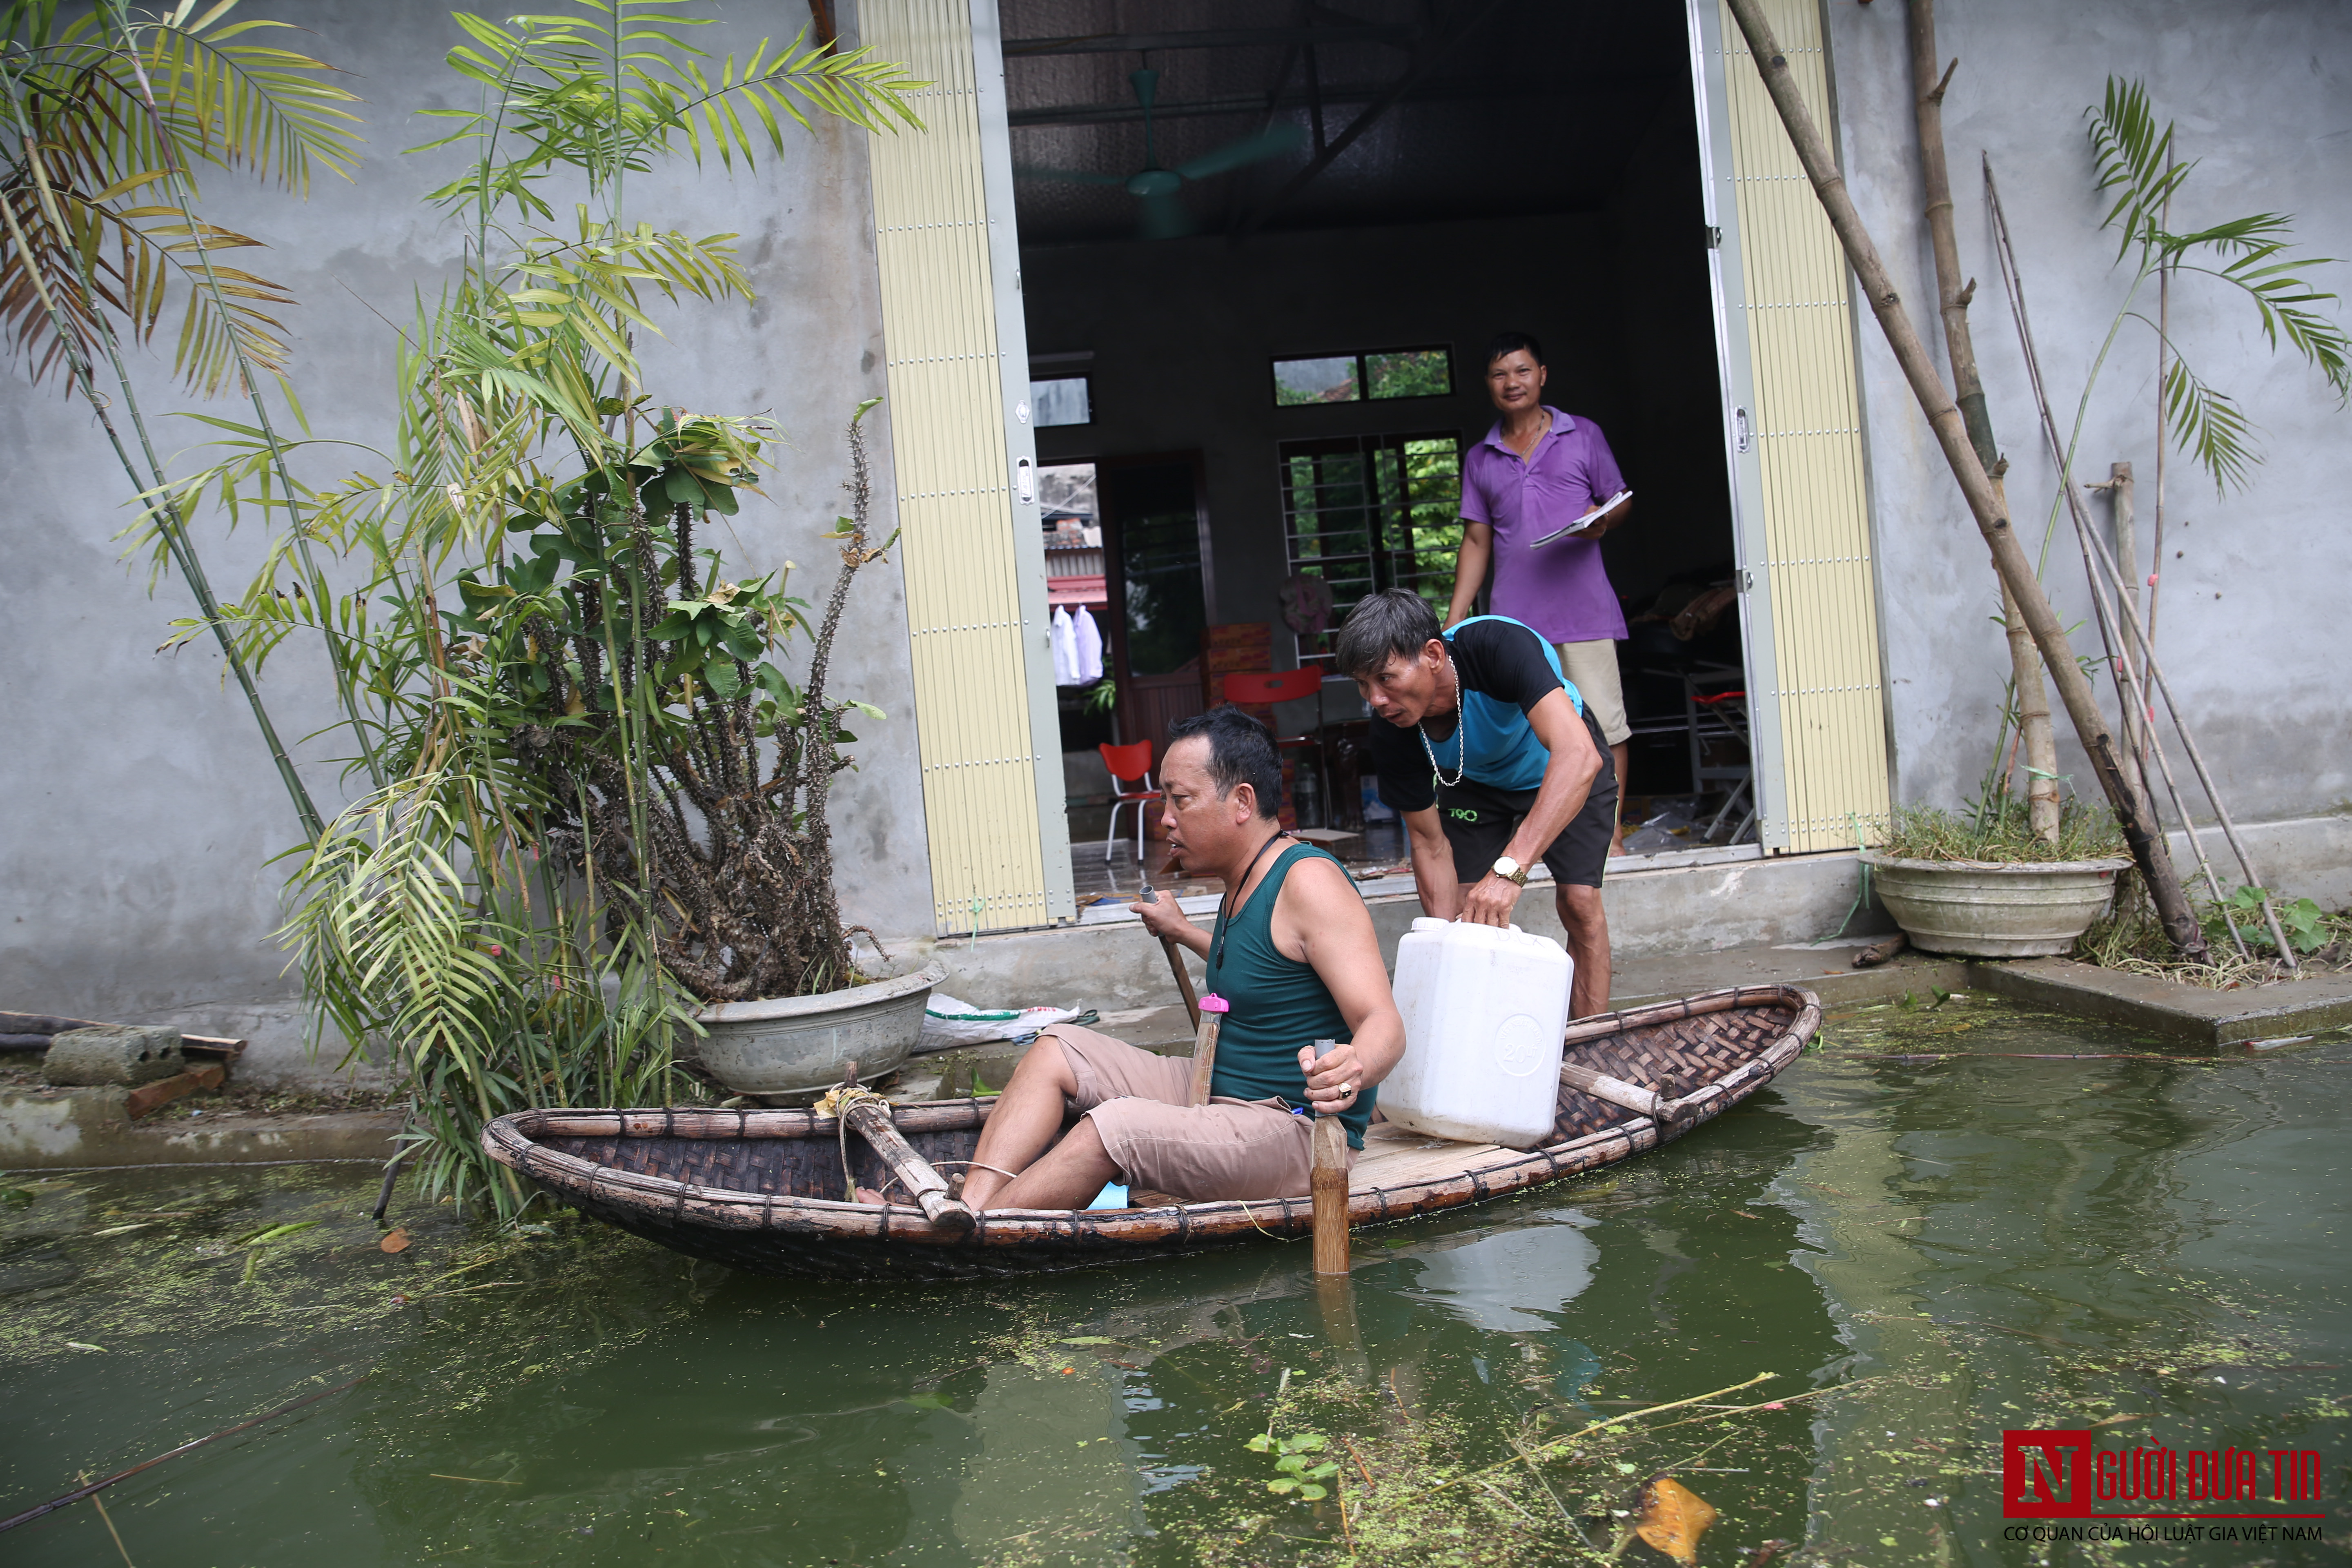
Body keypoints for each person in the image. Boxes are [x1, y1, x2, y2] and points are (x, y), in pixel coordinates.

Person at [958, 707, 1405, 1212]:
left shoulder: (1309, 882)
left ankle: (979, 1237)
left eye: (1181, 800)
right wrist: (1184, 931)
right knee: (1056, 1048)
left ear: (1242, 802)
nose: (1166, 818)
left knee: (1116, 1127)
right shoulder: (1242, 882)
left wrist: (1352, 1068)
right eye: (1165, 799)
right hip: (1213, 1087)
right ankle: (969, 1209)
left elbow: (1383, 1022)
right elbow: (1264, 960)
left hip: (1293, 1128)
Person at [1336, 588, 1617, 1020]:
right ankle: (1481, 1034)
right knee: (1466, 915)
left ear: (1432, 655)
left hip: (1561, 767)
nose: (1374, 699)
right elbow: (1430, 845)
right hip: (1476, 782)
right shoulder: (1391, 727)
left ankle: (1592, 1043)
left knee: (1579, 902)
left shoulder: (1497, 647)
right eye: (1363, 684)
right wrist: (1448, 947)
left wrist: (1510, 871)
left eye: (1385, 678)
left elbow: (1578, 755)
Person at [1448, 331, 1635, 854]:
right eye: (1501, 374)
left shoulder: (1583, 436)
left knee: (1605, 726)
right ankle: (1541, 840)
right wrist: (1456, 621)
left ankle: (1612, 837)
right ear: (1489, 385)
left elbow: (1619, 501)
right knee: (1528, 735)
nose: (1513, 383)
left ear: (1542, 376)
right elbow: (1477, 540)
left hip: (1586, 612)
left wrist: (1602, 522)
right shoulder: (1481, 458)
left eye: (1523, 371)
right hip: (1516, 623)